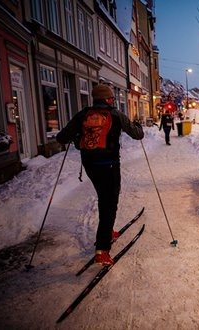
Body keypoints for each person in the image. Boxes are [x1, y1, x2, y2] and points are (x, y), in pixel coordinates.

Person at [56, 84, 144, 266]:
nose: (113, 100)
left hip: (90, 165)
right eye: (111, 98)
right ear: (107, 99)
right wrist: (136, 125)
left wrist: (77, 135)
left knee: (104, 197)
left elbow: (61, 138)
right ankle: (102, 249)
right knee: (109, 203)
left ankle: (107, 230)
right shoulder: (115, 114)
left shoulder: (83, 115)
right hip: (109, 165)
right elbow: (137, 135)